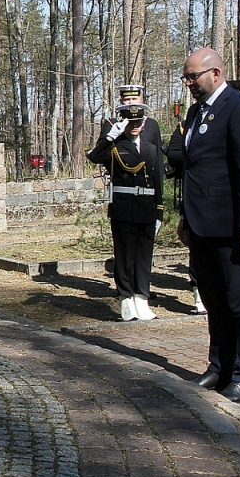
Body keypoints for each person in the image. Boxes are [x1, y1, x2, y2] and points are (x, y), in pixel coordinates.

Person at [176, 47, 240, 403]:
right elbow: (193, 170)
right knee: (214, 299)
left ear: (215, 73)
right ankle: (219, 366)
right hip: (200, 224)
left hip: (231, 227)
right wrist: (185, 216)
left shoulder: (238, 108)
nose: (188, 83)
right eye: (186, 77)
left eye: (192, 77)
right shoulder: (198, 112)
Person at [87, 103, 164, 321]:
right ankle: (125, 298)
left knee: (143, 256)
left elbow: (157, 178)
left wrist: (159, 208)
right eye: (131, 122)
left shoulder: (149, 148)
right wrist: (110, 137)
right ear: (124, 123)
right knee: (125, 255)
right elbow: (94, 157)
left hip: (147, 206)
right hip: (124, 206)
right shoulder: (114, 147)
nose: (135, 126)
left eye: (139, 122)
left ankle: (142, 297)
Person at [165, 118, 206, 314]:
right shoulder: (187, 124)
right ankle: (200, 295)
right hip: (196, 194)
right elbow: (173, 155)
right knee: (197, 248)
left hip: (227, 197)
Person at [97, 85, 165, 156]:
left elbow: (158, 154)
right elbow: (99, 152)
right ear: (121, 101)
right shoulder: (112, 124)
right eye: (127, 99)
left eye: (134, 99)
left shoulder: (151, 124)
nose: (131, 102)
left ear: (142, 100)